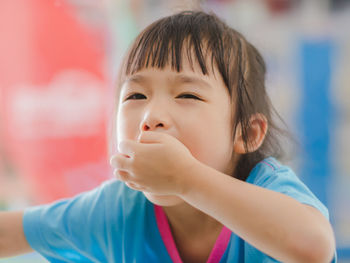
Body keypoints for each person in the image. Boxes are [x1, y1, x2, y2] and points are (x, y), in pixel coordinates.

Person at [0, 10, 336, 263]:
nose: (151, 117)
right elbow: (13, 233)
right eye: (135, 97)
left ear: (246, 133)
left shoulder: (268, 189)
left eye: (187, 96)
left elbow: (314, 247)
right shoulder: (115, 210)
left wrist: (187, 178)